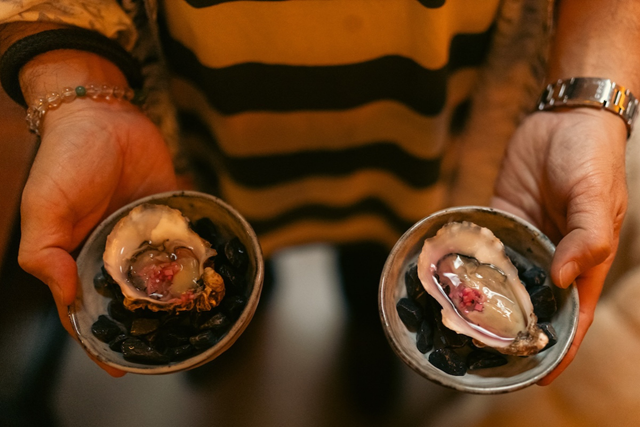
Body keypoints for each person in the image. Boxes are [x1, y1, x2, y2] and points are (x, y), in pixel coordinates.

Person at [0, 0, 637, 391]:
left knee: (390, 242)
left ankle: (372, 323)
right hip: (210, 101)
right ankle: (239, 315)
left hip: (438, 95)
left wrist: (591, 94)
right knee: (230, 237)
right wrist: (79, 87)